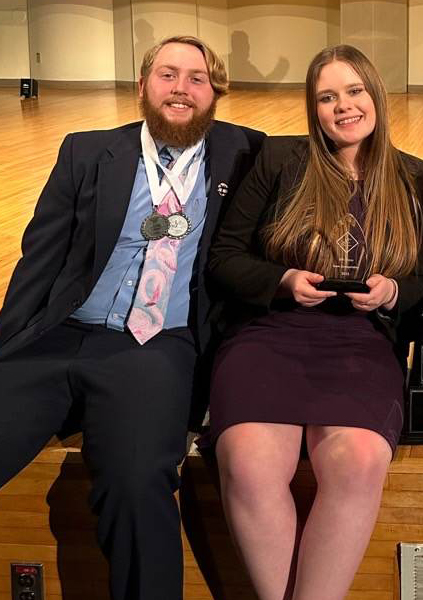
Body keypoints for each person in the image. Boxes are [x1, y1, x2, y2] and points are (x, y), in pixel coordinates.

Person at [0, 36, 265, 599]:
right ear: (143, 86)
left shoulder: (248, 154)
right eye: (168, 75)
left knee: (138, 482)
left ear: (216, 93)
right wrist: (9, 344)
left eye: (197, 79)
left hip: (154, 347)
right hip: (60, 336)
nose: (181, 89)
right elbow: (39, 257)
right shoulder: (88, 150)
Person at [206, 45, 423, 600]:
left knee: (358, 461)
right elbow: (225, 257)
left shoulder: (415, 177)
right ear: (312, 108)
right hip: (271, 335)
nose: (343, 107)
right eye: (327, 97)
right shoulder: (279, 160)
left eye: (354, 91)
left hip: (361, 341)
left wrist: (391, 291)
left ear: (375, 94)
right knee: (246, 460)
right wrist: (282, 281)